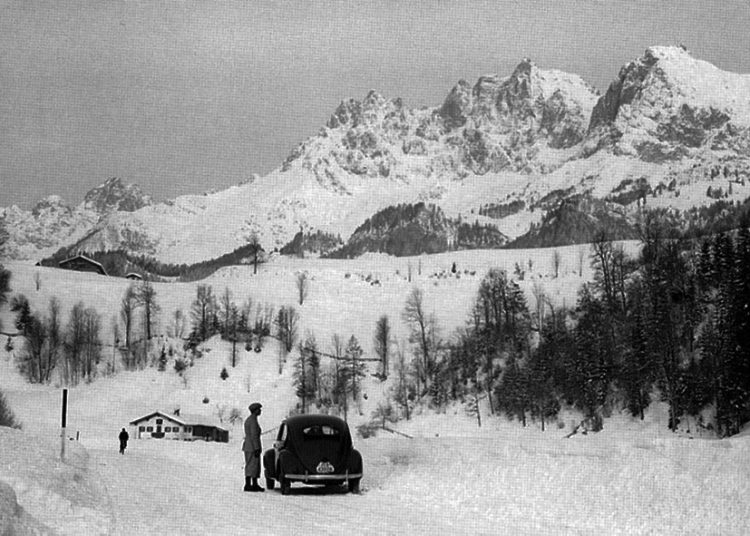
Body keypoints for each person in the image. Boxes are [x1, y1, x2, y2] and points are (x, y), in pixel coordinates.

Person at [242, 402, 263, 492]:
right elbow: (254, 435)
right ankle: (249, 485)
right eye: (259, 409)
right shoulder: (253, 421)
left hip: (248, 446)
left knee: (252, 465)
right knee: (253, 465)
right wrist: (256, 448)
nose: (260, 411)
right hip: (252, 447)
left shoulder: (250, 419)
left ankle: (253, 484)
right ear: (255, 411)